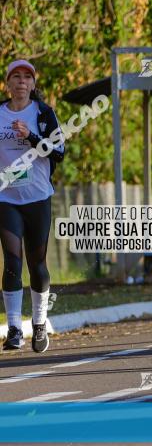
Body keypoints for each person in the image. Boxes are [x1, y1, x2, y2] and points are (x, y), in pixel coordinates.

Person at [0, 60, 64, 353]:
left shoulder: (43, 113)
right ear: (8, 83)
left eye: (27, 77)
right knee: (12, 261)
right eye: (16, 77)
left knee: (36, 264)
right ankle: (14, 328)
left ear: (33, 84)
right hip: (6, 198)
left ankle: (39, 324)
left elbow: (59, 152)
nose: (21, 82)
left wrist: (31, 137)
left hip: (37, 197)